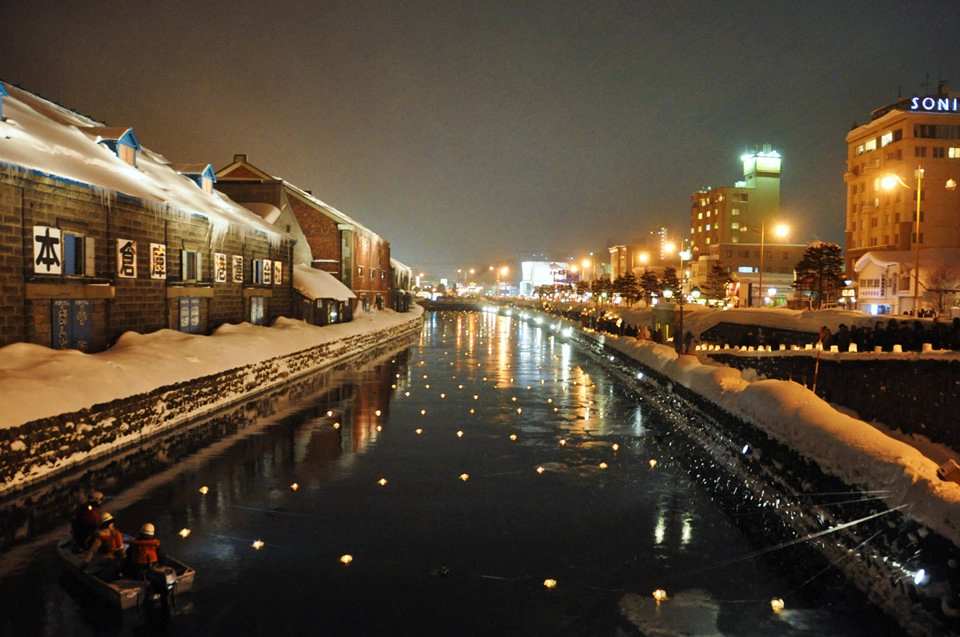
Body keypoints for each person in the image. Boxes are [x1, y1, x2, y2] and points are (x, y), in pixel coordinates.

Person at [84, 511, 125, 580]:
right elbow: (93, 550)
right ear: (107, 524)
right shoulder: (100, 537)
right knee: (115, 563)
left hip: (113, 557)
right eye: (110, 522)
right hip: (103, 559)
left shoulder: (115, 533)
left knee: (118, 562)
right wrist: (86, 562)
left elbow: (120, 547)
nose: (112, 524)